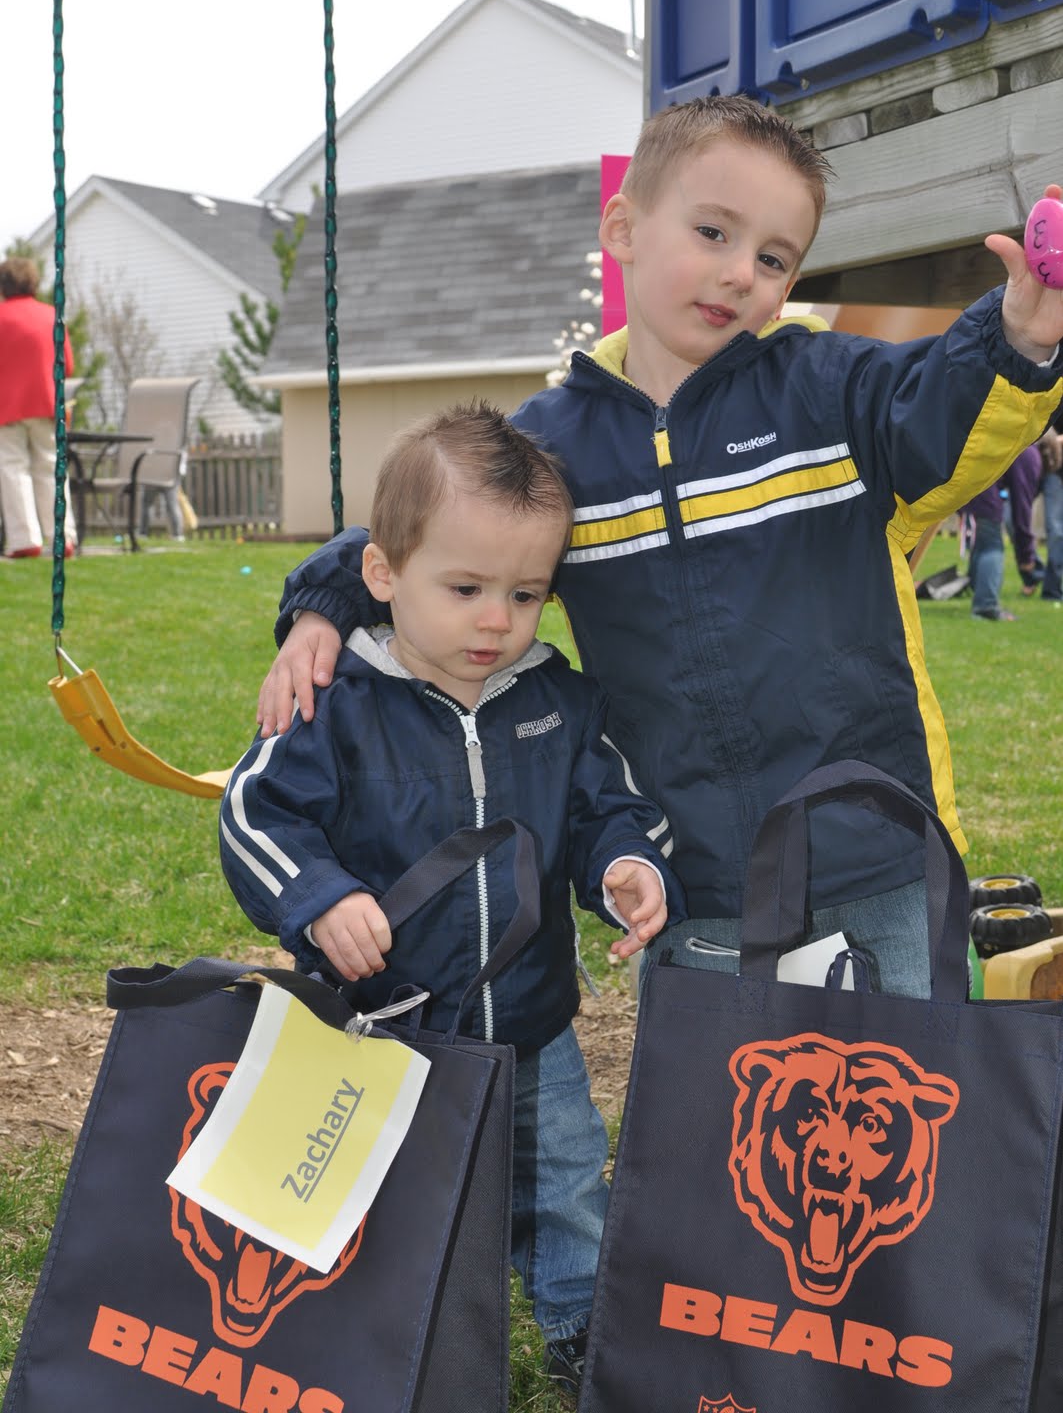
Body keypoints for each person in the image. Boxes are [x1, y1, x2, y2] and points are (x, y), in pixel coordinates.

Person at [255, 95, 1063, 1000]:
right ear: (623, 228)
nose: (738, 273)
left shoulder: (828, 390)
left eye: (772, 259)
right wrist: (326, 602)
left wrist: (1018, 335)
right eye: (712, 232)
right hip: (690, 872)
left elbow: (941, 409)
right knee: (719, 1089)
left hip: (876, 850)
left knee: (906, 1084)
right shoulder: (556, 448)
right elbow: (436, 535)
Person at [220, 402, 684, 1403]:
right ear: (383, 574)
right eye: (465, 588)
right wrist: (319, 895)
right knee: (382, 1186)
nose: (495, 621)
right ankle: (377, 1334)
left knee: (563, 1175)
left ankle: (579, 1322)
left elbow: (607, 806)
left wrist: (624, 865)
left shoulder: (557, 699)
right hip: (376, 1026)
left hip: (532, 1022)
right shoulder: (333, 700)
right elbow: (255, 815)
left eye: (525, 594)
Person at [0, 256, 78, 558]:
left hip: (6, 408)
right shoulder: (51, 316)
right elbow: (67, 366)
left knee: (12, 468)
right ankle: (63, 536)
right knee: (51, 468)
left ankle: (24, 540)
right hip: (47, 405)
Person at [964, 444, 1043, 620]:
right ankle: (986, 606)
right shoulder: (1030, 456)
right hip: (983, 493)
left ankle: (979, 590)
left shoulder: (1023, 447)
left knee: (983, 544)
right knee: (992, 547)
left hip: (969, 486)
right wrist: (1026, 556)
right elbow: (1022, 511)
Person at [1040, 413, 1063, 606]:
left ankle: (1052, 588)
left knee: (1055, 530)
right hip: (1037, 461)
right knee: (1006, 520)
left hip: (1056, 471)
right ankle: (1033, 571)